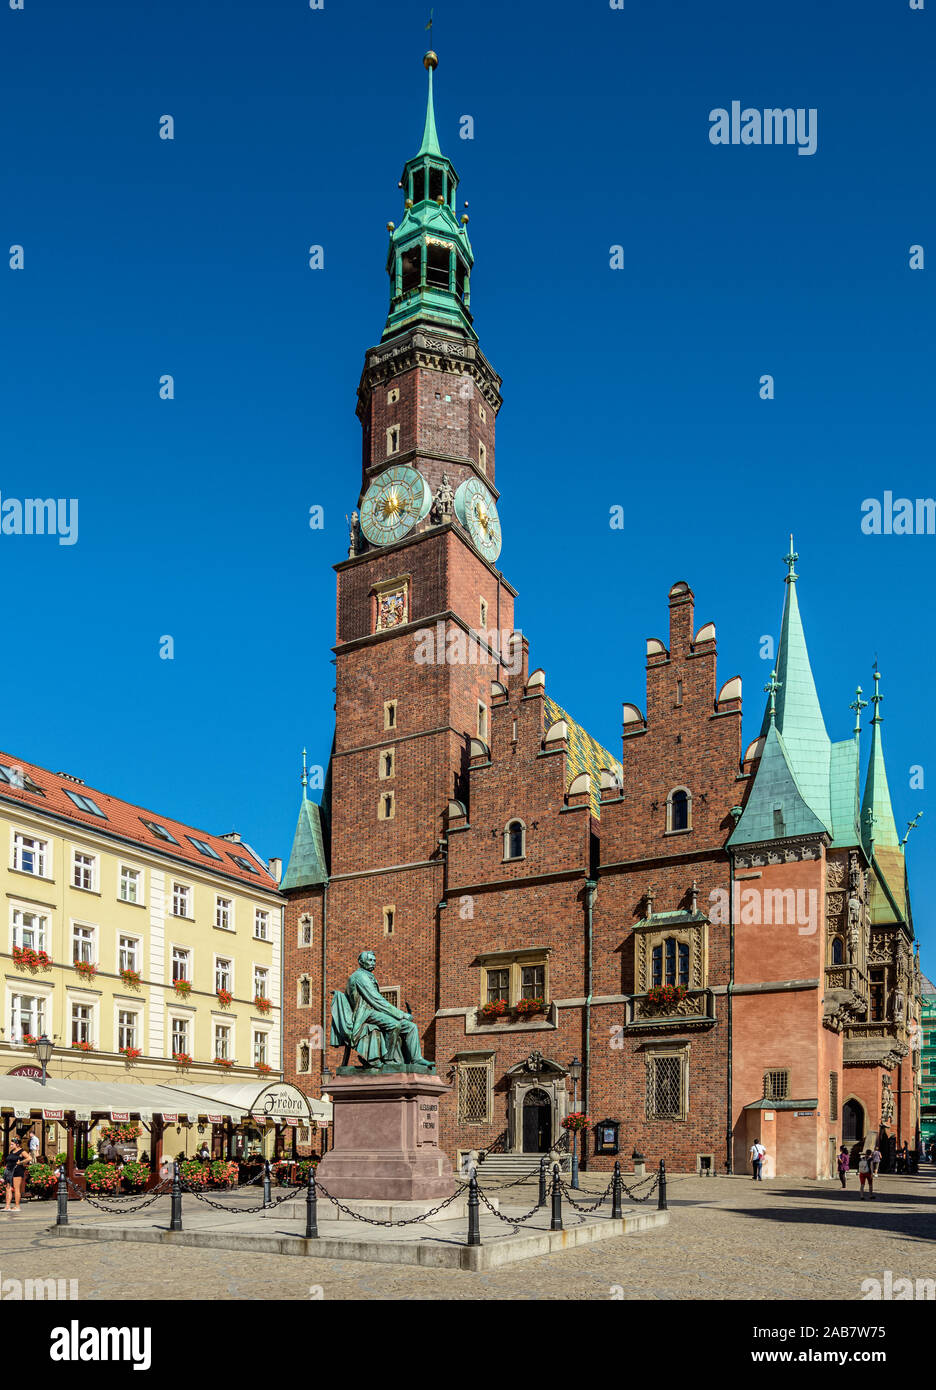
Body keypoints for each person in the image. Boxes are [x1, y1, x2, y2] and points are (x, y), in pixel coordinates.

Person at [3, 1137, 27, 1213]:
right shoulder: (11, 1151)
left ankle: (17, 1206)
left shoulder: (21, 1151)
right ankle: (7, 1206)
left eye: (12, 1144)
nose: (11, 1145)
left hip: (17, 1171)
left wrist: (20, 1162)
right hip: (9, 1171)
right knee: (8, 1188)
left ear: (17, 1144)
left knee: (16, 1188)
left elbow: (29, 1158)